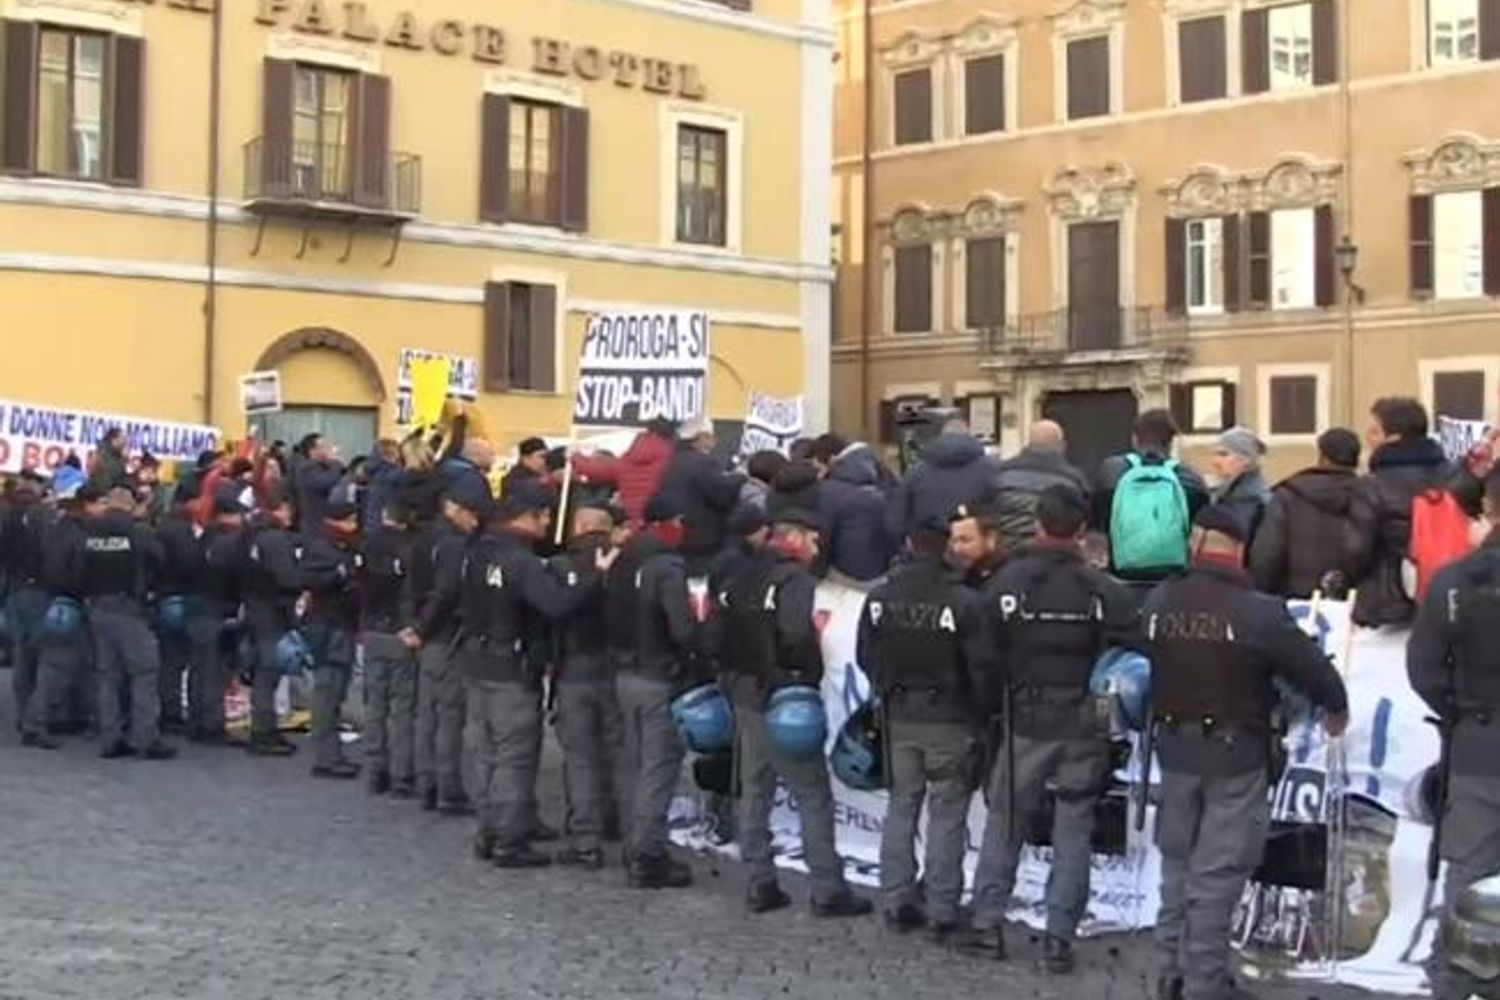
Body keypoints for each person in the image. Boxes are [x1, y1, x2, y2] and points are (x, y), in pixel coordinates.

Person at [1143, 506, 1348, 1000]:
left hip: (1173, 749)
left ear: (1196, 542)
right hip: (1235, 755)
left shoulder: (1159, 600)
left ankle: (1170, 972)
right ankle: (1204, 983)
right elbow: (1313, 670)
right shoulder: (1258, 611)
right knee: (1217, 873)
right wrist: (1336, 707)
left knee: (1177, 866)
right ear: (1238, 549)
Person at [968, 485, 1139, 969]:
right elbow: (1133, 653)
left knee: (1006, 821)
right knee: (1074, 826)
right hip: (1086, 718)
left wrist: (991, 710)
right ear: (1082, 530)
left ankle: (986, 926)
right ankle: (1058, 940)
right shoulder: (1104, 589)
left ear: (1038, 523)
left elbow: (982, 657)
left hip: (1025, 716)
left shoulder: (1007, 583)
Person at [715, 508, 871, 916]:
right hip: (782, 696)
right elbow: (797, 633)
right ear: (796, 538)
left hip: (744, 691)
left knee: (755, 788)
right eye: (814, 540)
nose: (817, 549)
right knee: (812, 792)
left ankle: (759, 881)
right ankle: (827, 888)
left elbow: (716, 632)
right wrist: (805, 672)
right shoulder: (794, 579)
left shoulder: (741, 573)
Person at [459, 480, 614, 868]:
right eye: (544, 516)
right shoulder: (522, 562)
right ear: (526, 517)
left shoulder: (476, 552)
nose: (547, 524)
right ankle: (509, 841)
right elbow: (556, 605)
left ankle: (488, 831)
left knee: (486, 754)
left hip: (477, 662)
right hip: (512, 668)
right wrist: (596, 576)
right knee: (514, 757)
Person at [857, 521, 988, 939]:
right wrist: (978, 714)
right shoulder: (963, 601)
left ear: (910, 544)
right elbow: (982, 668)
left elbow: (866, 657)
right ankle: (942, 908)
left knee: (901, 805)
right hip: (949, 718)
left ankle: (896, 899)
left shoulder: (879, 597)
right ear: (947, 548)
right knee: (947, 813)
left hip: (898, 715)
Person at [1407, 466, 1500, 1000]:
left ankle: (1456, 984)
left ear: (1488, 508)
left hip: (1478, 741)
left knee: (1470, 874)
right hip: (1476, 734)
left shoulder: (1456, 581)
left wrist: (1459, 713)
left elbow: (1424, 669)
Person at [611, 493, 704, 888]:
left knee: (633, 763)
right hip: (658, 676)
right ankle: (647, 854)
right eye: (679, 522)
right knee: (659, 766)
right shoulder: (667, 567)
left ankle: (633, 841)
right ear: (667, 523)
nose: (682, 529)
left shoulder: (623, 559)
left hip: (623, 673)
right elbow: (682, 629)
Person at [547, 502, 630, 868]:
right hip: (618, 666)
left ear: (579, 526)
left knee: (580, 756)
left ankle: (585, 837)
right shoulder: (628, 564)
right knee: (617, 749)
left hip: (574, 667)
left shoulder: (560, 566)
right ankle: (622, 824)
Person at [1354, 397, 1479, 627]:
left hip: (1390, 608)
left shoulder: (1371, 486)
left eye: (1374, 432)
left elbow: (1356, 550)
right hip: (1455, 601)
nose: (1367, 438)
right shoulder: (1457, 478)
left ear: (1394, 438)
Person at [402, 478, 488, 813]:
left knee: (428, 713)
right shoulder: (455, 544)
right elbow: (446, 591)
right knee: (449, 716)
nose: (474, 521)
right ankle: (447, 788)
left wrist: (413, 624)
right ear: (454, 508)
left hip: (427, 634)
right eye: (471, 513)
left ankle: (427, 783)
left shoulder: (425, 537)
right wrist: (423, 628)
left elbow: (414, 586)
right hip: (446, 635)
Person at [83, 485, 175, 760]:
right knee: (144, 672)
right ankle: (146, 738)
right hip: (129, 607)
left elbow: (79, 567)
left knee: (107, 676)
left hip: (97, 606)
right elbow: (160, 559)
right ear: (130, 505)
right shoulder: (139, 532)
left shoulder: (90, 532)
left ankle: (110, 737)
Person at [1249, 428, 1375, 598]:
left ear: (1322, 456)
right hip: (1354, 600)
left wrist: (1263, 594)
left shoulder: (1288, 495)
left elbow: (1267, 554)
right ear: (1356, 459)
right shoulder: (1370, 495)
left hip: (1296, 599)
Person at [1094, 409, 1211, 583]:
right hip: (1173, 579)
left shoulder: (1110, 472)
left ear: (1134, 438)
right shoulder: (1190, 479)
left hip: (1122, 576)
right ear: (1171, 442)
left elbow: (1097, 524)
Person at [299, 500, 363, 780]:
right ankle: (327, 757)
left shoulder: (341, 546)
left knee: (334, 693)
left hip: (339, 625)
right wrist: (340, 574)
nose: (355, 526)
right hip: (328, 627)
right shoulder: (322, 548)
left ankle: (331, 753)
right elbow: (309, 579)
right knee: (328, 692)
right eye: (350, 520)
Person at [360, 500, 418, 796]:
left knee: (375, 704)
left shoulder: (367, 544)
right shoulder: (411, 548)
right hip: (400, 631)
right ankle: (401, 773)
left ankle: (375, 769)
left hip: (372, 628)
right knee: (403, 708)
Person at [240, 488, 303, 757]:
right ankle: (263, 731)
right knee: (269, 672)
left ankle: (263, 726)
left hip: (252, 607)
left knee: (261, 671)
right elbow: (288, 578)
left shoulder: (248, 535)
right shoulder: (275, 539)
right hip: (272, 610)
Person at [884, 421, 1002, 543]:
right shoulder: (993, 468)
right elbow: (1002, 510)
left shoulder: (916, 472)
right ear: (969, 436)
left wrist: (905, 541)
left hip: (928, 545)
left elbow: (896, 520)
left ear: (941, 437)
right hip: (976, 546)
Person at [154, 485, 208, 737]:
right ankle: (173, 712)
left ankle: (168, 709)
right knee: (177, 659)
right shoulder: (181, 530)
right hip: (178, 597)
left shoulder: (162, 526)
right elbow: (189, 563)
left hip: (163, 595)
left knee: (168, 660)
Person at [197, 488, 249, 745]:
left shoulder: (204, 538)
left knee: (203, 669)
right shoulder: (231, 543)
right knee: (215, 671)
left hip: (201, 606)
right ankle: (212, 725)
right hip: (221, 609)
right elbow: (237, 577)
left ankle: (201, 720)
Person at [657, 419, 746, 569]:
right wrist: (740, 476)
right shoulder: (703, 462)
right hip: (701, 538)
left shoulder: (669, 460)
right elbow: (720, 491)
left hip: (674, 534)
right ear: (701, 437)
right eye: (711, 437)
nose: (714, 442)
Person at [991, 421, 1091, 552]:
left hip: (1008, 554)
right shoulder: (1074, 480)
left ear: (1028, 443)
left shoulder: (1001, 473)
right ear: (1062, 445)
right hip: (1056, 555)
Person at [6, 477, 54, 746]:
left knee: (22, 655)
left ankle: (23, 715)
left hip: (15, 588)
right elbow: (48, 552)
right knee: (43, 659)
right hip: (38, 590)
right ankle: (35, 723)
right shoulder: (41, 516)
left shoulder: (7, 516)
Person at [809, 434, 895, 582]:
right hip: (886, 571)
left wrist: (814, 576)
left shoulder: (830, 490)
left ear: (831, 460)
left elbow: (823, 538)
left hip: (846, 573)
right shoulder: (885, 477)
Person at [570, 418, 677, 527]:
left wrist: (575, 456)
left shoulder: (629, 459)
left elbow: (596, 469)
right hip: (665, 524)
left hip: (635, 523)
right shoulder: (672, 458)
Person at [1208, 426, 1271, 548]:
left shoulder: (1250, 497)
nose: (1215, 462)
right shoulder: (1229, 491)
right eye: (1215, 454)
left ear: (1246, 459)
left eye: (1223, 454)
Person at [292, 433, 345, 531]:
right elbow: (327, 481)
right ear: (312, 451)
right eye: (323, 446)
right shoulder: (306, 468)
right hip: (314, 524)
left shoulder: (319, 466)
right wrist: (335, 462)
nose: (327, 449)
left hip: (323, 520)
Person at [948, 504, 1004, 589]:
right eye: (955, 541)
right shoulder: (956, 582)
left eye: (965, 540)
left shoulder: (1014, 576)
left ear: (990, 540)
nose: (957, 549)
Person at [88, 427, 128, 492]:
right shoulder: (104, 454)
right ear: (114, 439)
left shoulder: (115, 455)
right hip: (101, 493)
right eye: (123, 439)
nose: (125, 442)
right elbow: (112, 477)